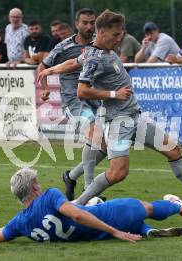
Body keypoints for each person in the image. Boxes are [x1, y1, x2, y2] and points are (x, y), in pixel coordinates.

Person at [41, 10, 182, 209]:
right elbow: (82, 90)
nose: (120, 37)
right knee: (117, 173)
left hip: (135, 118)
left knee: (172, 150)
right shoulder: (95, 59)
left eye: (121, 33)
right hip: (119, 123)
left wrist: (50, 70)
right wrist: (114, 95)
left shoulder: (95, 52)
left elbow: (74, 62)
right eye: (115, 34)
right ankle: (77, 204)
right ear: (102, 32)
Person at [0, 168, 182, 244]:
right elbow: (78, 215)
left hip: (92, 235)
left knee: (94, 203)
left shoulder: (21, 222)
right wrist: (116, 232)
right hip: (106, 217)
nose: (41, 183)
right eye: (37, 180)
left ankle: (145, 231)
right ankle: (177, 206)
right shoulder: (49, 196)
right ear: (34, 188)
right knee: (146, 207)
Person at [37, 8, 102, 200]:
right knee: (93, 131)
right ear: (77, 24)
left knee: (106, 147)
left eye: (92, 22)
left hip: (96, 99)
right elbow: (43, 66)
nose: (89, 26)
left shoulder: (99, 43)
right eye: (85, 22)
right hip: (73, 101)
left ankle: (71, 176)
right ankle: (89, 191)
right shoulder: (63, 47)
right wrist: (44, 88)